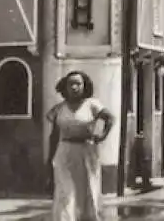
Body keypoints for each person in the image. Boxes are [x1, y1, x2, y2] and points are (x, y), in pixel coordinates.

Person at [47, 71, 115, 221]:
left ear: (85, 86)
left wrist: (102, 136)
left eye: (78, 83)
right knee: (66, 192)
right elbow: (53, 135)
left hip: (87, 152)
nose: (74, 87)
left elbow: (110, 118)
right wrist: (50, 159)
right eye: (71, 83)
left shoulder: (92, 105)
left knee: (88, 191)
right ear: (65, 87)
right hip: (65, 152)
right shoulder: (58, 109)